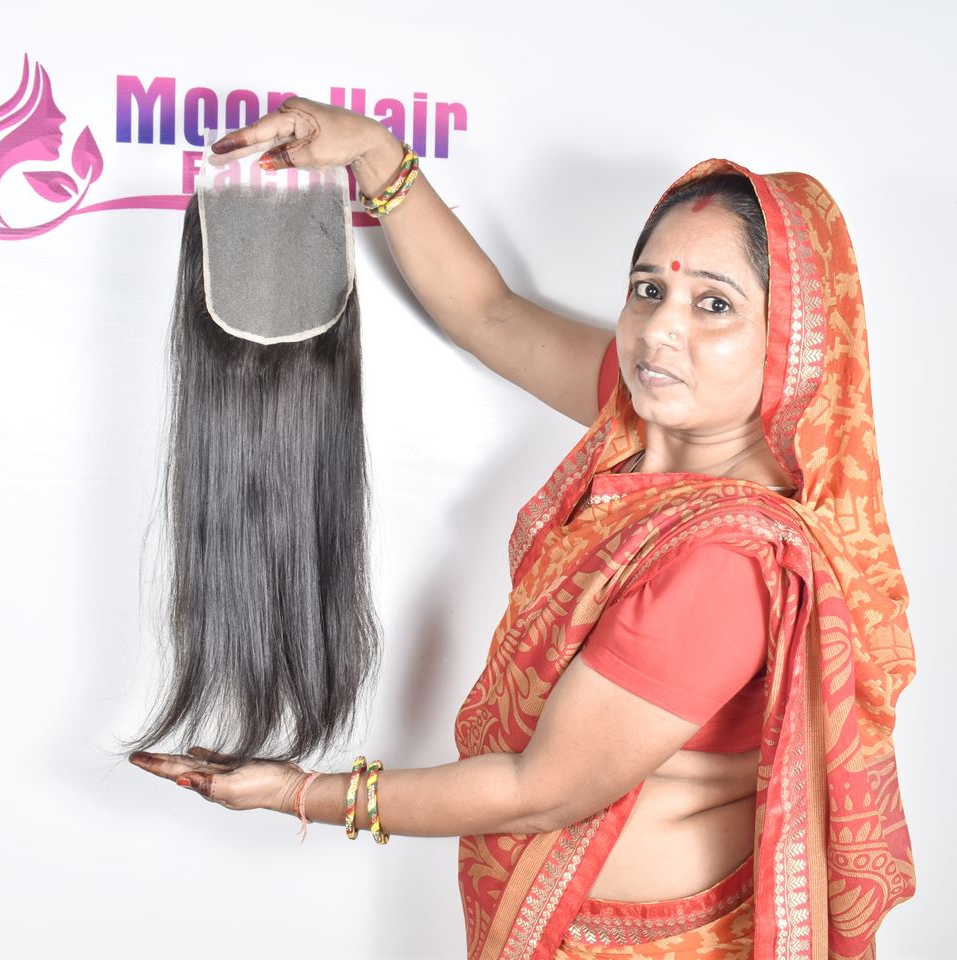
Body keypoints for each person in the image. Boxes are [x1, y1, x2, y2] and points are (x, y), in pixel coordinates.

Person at [129, 98, 916, 959]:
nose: (661, 329)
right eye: (649, 289)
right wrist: (376, 156)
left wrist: (297, 795)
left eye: (714, 305)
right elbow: (490, 315)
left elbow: (541, 790)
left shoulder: (725, 560)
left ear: (791, 340)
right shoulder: (643, 419)